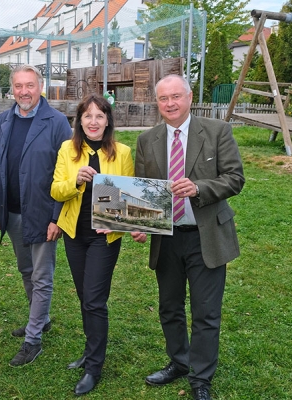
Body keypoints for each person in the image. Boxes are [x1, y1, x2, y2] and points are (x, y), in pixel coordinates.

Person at [135, 74, 245, 400]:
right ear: (157, 103)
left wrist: (200, 188)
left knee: (206, 312)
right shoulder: (147, 140)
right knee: (169, 307)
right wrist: (140, 222)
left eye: (176, 96)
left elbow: (235, 178)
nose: (170, 104)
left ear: (189, 96)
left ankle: (201, 378)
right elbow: (144, 191)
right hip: (167, 238)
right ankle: (179, 362)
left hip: (206, 235)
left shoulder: (217, 131)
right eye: (163, 98)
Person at [50, 93, 146, 395]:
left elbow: (130, 197)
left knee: (94, 300)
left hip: (104, 238)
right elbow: (56, 190)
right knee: (84, 297)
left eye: (100, 115)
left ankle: (94, 367)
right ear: (79, 121)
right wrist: (76, 180)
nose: (93, 121)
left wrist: (120, 222)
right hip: (74, 235)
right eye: (87, 115)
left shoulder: (122, 152)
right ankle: (90, 351)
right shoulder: (68, 149)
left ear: (108, 120)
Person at [0, 64, 72, 367]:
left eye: (30, 85)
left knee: (42, 276)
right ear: (12, 88)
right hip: (12, 212)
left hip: (43, 212)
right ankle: (41, 319)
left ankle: (33, 339)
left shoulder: (58, 122)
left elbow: (67, 172)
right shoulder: (4, 120)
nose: (24, 91)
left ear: (40, 86)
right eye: (19, 86)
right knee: (26, 271)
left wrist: (57, 217)